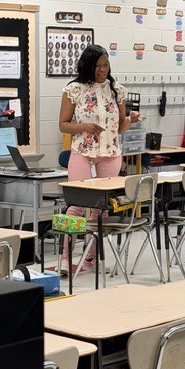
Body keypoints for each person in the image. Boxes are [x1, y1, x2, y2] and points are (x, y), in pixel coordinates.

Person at [58, 44, 141, 276]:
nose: (103, 70)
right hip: (83, 150)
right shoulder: (74, 89)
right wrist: (83, 126)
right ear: (88, 66)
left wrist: (131, 120)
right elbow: (63, 125)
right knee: (76, 205)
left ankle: (90, 257)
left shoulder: (117, 90)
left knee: (102, 209)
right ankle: (65, 258)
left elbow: (120, 128)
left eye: (106, 65)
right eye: (98, 66)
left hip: (110, 152)